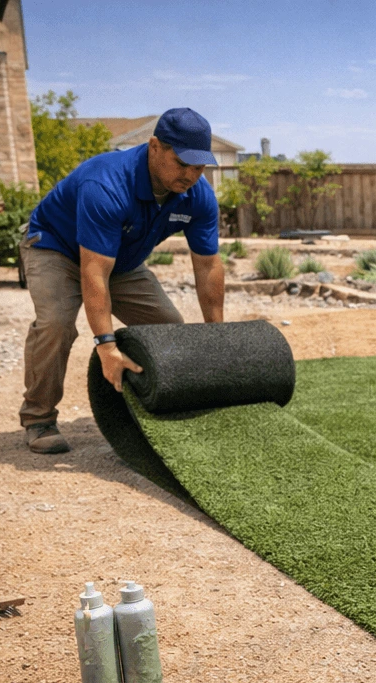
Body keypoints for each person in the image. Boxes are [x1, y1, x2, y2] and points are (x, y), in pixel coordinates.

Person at [17, 107, 225, 454]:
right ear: (155, 146)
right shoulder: (107, 183)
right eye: (182, 163)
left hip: (121, 260)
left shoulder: (198, 196)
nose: (191, 175)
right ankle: (38, 418)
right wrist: (107, 345)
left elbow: (208, 266)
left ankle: (151, 406)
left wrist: (217, 334)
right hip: (56, 248)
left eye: (199, 167)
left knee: (168, 326)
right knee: (56, 324)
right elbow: (93, 271)